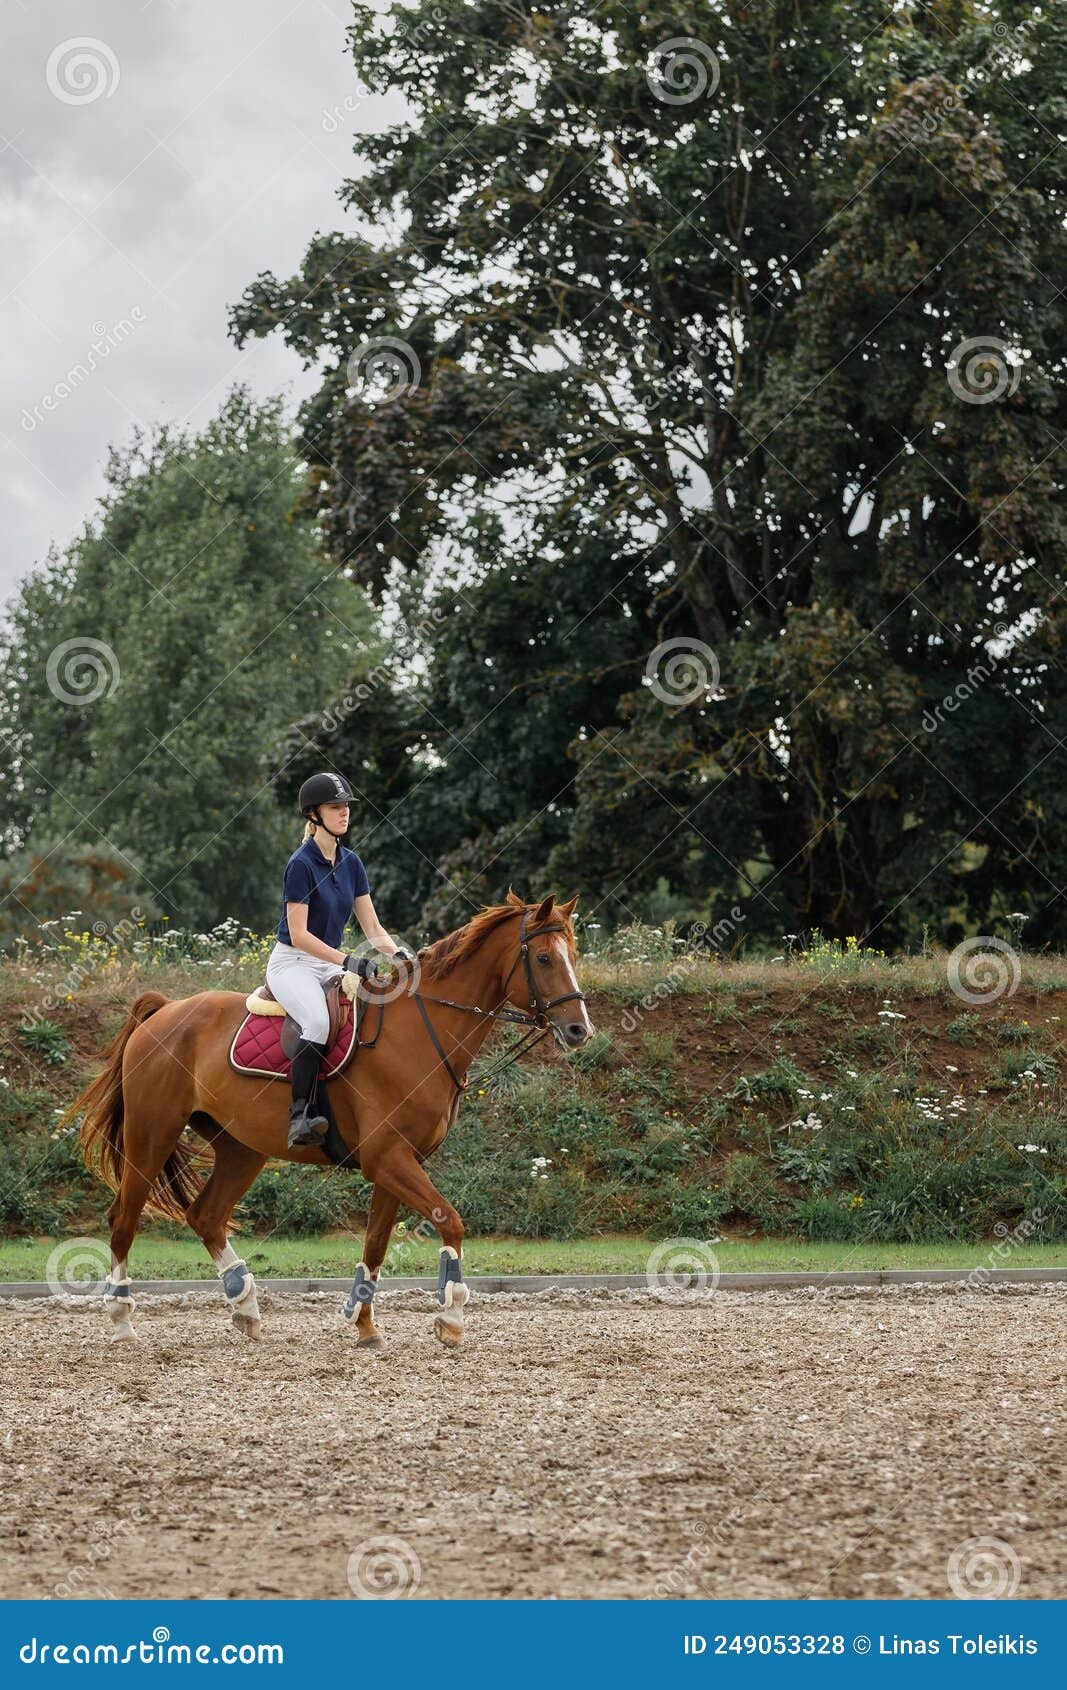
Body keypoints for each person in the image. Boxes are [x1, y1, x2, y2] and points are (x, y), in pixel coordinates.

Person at [266, 772, 414, 1148]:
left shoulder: (352, 864)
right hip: (293, 963)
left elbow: (373, 927)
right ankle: (299, 1116)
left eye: (346, 806)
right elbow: (298, 934)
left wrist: (399, 954)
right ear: (314, 814)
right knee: (316, 1021)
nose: (344, 813)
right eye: (336, 807)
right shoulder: (301, 864)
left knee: (370, 1014)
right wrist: (348, 961)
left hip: (328, 964)